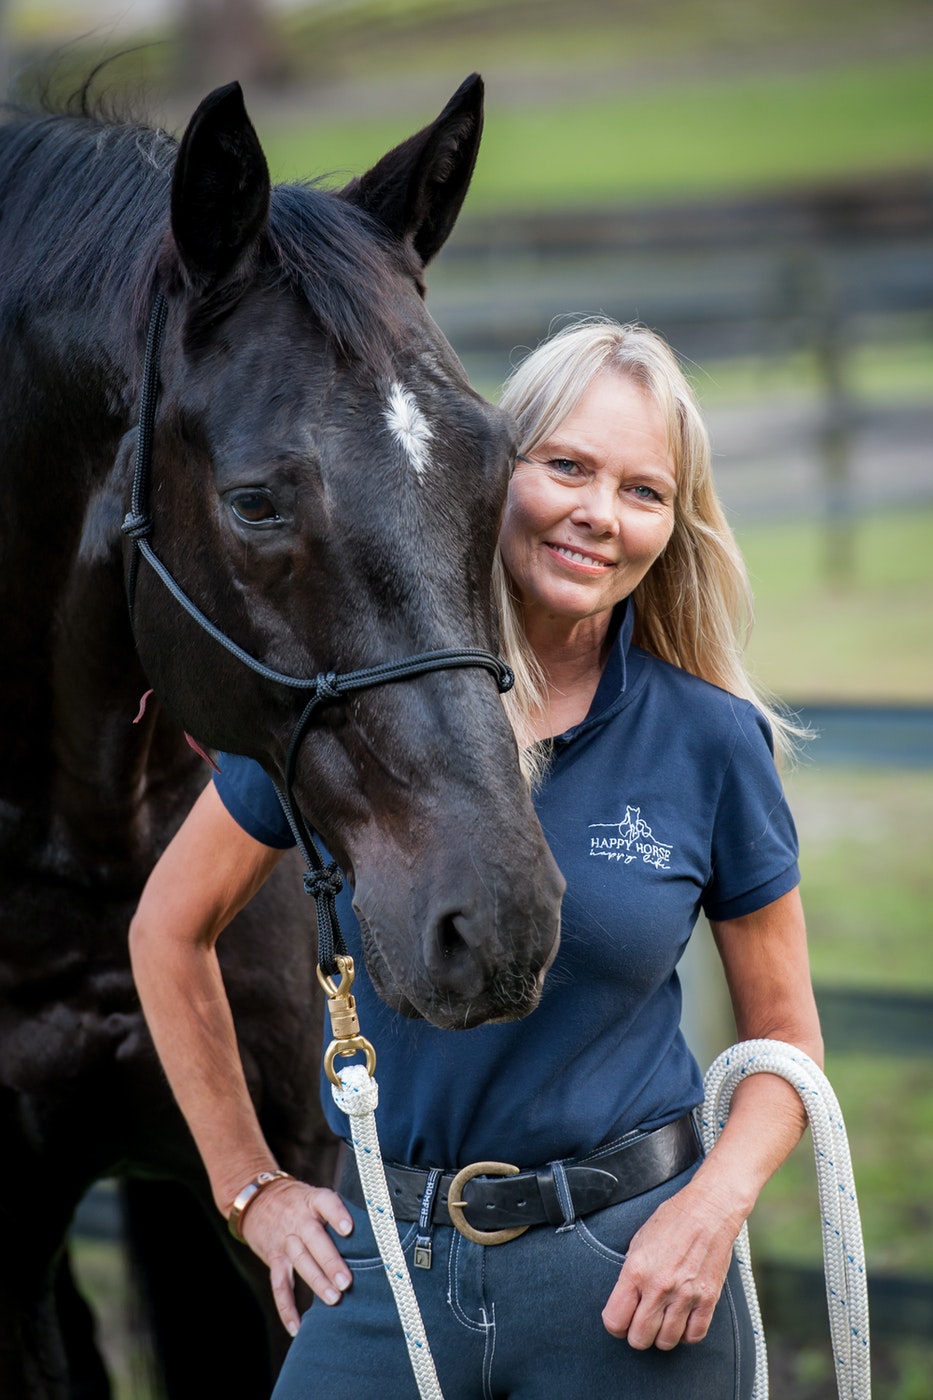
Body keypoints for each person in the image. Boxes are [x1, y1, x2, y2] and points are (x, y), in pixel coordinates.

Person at [129, 317, 822, 1399]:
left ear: (672, 525)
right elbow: (168, 928)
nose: (600, 512)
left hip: (631, 1275)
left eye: (643, 491)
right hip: (390, 1270)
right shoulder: (350, 704)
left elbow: (785, 1043)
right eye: (567, 466)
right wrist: (247, 1183)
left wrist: (711, 1206)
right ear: (493, 472)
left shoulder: (709, 739)